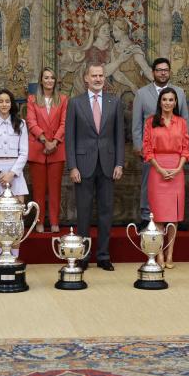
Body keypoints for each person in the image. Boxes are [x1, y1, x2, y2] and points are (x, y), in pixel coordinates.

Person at [65, 63, 125, 271]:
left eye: (101, 75)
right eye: (94, 76)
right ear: (86, 79)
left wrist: (119, 162)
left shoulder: (114, 102)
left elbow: (119, 136)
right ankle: (82, 256)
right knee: (83, 212)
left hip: (108, 165)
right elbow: (70, 138)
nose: (98, 79)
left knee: (106, 212)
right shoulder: (75, 103)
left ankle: (103, 255)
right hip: (83, 166)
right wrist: (72, 166)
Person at [132, 57, 189, 229]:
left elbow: (185, 119)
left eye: (166, 70)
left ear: (169, 72)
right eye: (159, 70)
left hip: (174, 151)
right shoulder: (142, 94)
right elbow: (137, 123)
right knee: (148, 183)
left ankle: (174, 216)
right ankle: (146, 215)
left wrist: (185, 150)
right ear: (153, 72)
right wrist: (139, 146)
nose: (163, 73)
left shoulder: (179, 92)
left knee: (174, 185)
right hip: (151, 149)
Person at [142, 87, 189, 268]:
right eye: (165, 100)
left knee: (174, 217)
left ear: (175, 103)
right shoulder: (151, 122)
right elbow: (147, 149)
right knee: (160, 217)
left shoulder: (181, 122)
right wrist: (160, 169)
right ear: (160, 102)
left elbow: (186, 148)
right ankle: (159, 255)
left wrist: (178, 168)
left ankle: (170, 255)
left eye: (171, 100)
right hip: (157, 170)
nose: (168, 103)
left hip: (177, 170)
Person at [0, 89, 29, 256]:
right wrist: (0, 173)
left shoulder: (21, 124)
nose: (4, 104)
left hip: (16, 175)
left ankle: (14, 258)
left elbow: (24, 152)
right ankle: (1, 257)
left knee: (16, 219)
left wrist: (12, 173)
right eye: (0, 101)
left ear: (11, 104)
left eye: (7, 101)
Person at [26, 67, 68, 233]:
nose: (49, 81)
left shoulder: (63, 99)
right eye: (46, 78)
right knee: (38, 190)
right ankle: (39, 222)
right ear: (41, 80)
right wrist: (45, 141)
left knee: (55, 189)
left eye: (52, 78)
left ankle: (55, 221)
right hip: (38, 150)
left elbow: (64, 123)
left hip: (56, 151)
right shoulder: (32, 99)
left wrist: (54, 142)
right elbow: (31, 122)